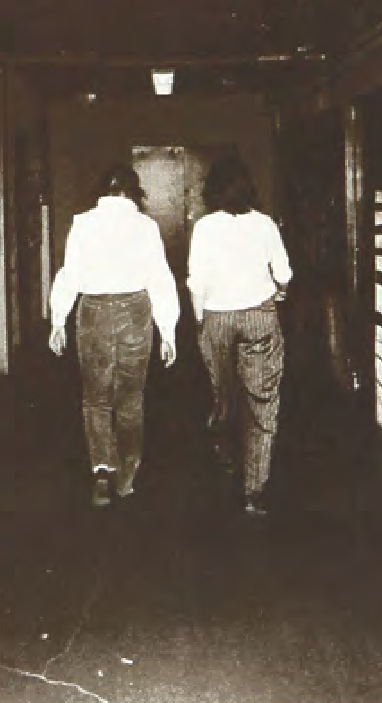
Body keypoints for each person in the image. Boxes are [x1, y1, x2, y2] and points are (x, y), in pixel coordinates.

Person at [49, 164, 179, 508]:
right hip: (136, 311)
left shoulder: (82, 223)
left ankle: (101, 471)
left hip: (92, 311)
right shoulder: (146, 227)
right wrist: (168, 331)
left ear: (100, 192)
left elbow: (69, 274)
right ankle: (127, 476)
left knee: (95, 397)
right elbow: (160, 278)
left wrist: (58, 320)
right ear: (132, 192)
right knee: (131, 398)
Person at [187, 156, 292, 516]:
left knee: (223, 393)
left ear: (212, 191)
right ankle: (254, 491)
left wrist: (200, 321)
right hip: (259, 317)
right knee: (262, 401)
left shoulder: (203, 228)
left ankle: (226, 452)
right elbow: (285, 274)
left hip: (216, 317)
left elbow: (196, 282)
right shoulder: (265, 225)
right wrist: (278, 291)